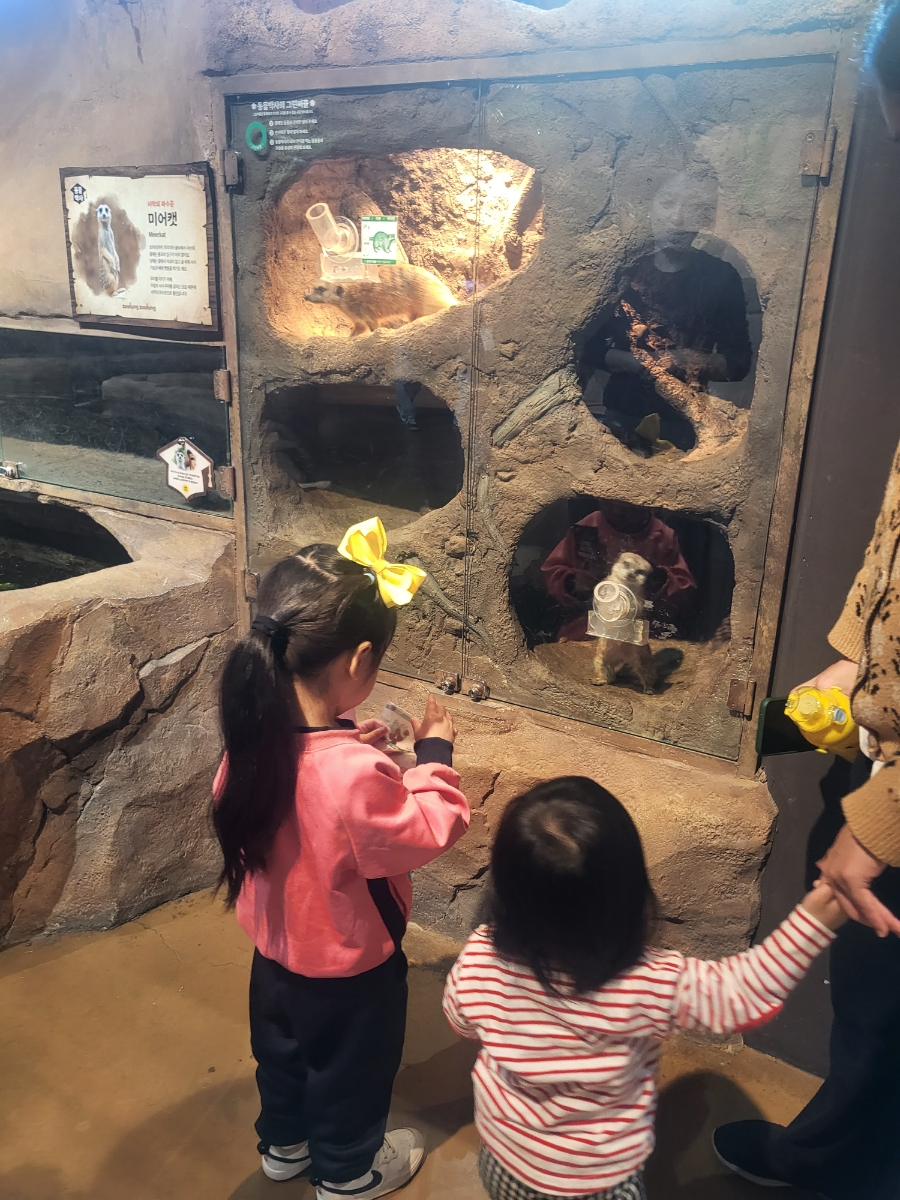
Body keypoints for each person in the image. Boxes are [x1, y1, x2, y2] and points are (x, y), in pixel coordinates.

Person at [713, 5, 900, 1194]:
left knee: (878, 997)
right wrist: (848, 657)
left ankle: (835, 1170)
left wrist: (876, 828)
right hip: (875, 732)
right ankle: (833, 1155)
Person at [212, 517, 471, 1200]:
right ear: (358, 662)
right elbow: (429, 827)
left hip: (274, 957)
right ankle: (350, 1171)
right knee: (350, 1073)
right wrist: (434, 752)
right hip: (349, 972)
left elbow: (313, 793)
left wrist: (353, 743)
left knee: (282, 1058)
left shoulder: (250, 743)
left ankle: (284, 1147)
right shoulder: (350, 775)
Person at [442, 776, 845, 1200]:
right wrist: (815, 919)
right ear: (629, 893)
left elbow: (460, 1022)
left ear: (504, 888)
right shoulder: (649, 982)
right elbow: (744, 997)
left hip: (506, 1159)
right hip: (598, 1182)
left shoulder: (480, 957)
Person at [541, 501, 696, 641]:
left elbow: (684, 589)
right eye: (609, 502)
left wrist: (657, 579)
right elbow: (551, 571)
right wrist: (572, 583)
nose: (617, 511)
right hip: (587, 627)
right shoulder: (590, 525)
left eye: (627, 505)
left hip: (641, 632)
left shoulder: (663, 537)